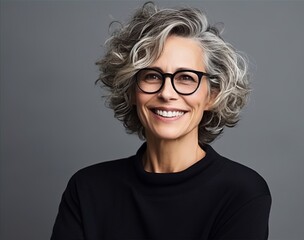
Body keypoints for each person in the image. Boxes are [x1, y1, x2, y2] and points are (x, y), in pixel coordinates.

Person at [51, 2, 271, 240]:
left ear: (212, 96)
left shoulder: (243, 192)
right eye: (152, 76)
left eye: (186, 77)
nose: (167, 93)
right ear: (131, 90)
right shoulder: (87, 188)